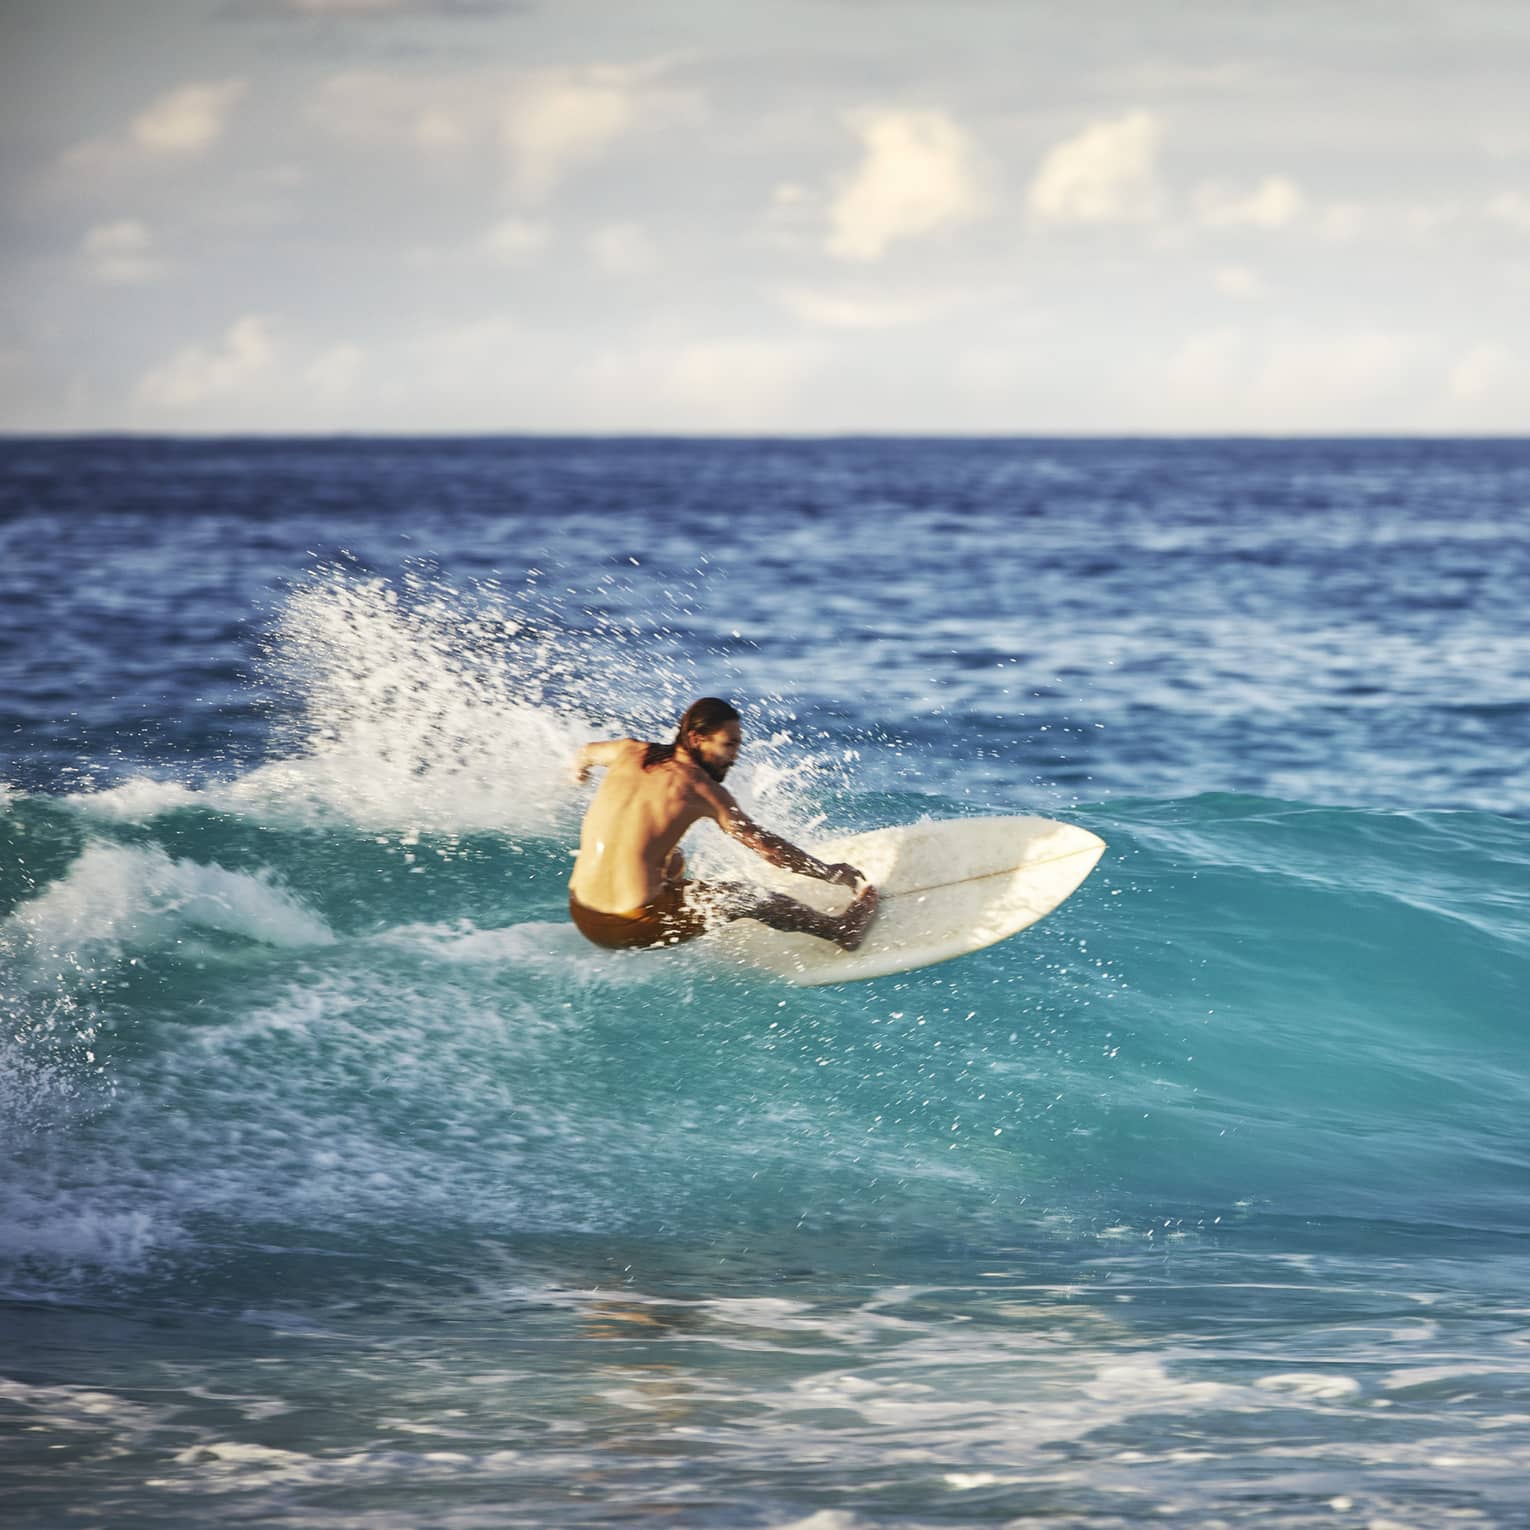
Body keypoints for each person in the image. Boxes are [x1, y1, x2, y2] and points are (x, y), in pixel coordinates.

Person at [568, 696, 879, 952]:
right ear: (695, 738)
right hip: (631, 925)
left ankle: (662, 894)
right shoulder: (702, 790)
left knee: (672, 857)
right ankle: (840, 930)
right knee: (744, 897)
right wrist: (828, 872)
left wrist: (579, 773)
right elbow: (770, 850)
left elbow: (585, 753)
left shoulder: (628, 751)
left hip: (582, 914)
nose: (734, 756)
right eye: (728, 745)